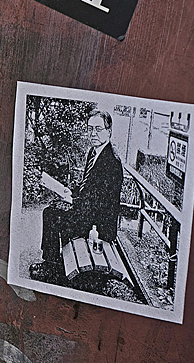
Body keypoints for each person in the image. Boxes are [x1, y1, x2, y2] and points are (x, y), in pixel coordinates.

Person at [30, 110, 124, 282]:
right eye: (90, 129)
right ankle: (55, 261)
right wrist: (70, 191)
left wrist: (73, 201)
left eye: (98, 129)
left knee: (51, 214)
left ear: (109, 131)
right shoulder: (95, 152)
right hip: (89, 211)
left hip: (99, 222)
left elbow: (99, 202)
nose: (93, 133)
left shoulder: (112, 162)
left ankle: (51, 266)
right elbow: (88, 186)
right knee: (54, 208)